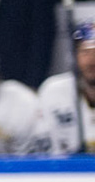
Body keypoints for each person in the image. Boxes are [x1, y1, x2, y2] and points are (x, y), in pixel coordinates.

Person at [38, 20, 95, 153]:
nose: (92, 60)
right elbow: (42, 148)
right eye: (85, 52)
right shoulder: (53, 91)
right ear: (74, 56)